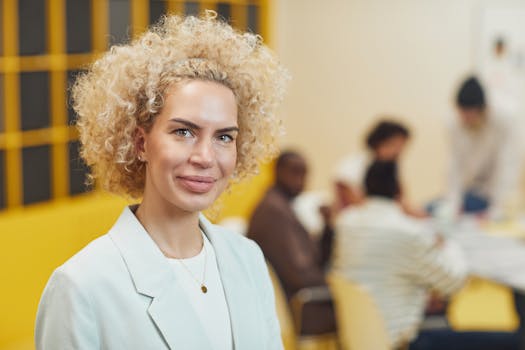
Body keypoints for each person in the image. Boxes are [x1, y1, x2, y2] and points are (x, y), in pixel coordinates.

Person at [35, 12, 288, 350]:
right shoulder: (82, 285)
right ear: (141, 143)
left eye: (224, 137)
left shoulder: (248, 258)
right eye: (183, 132)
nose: (205, 157)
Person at [331, 160, 520, 350]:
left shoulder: (346, 223)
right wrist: (448, 244)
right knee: (514, 341)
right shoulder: (407, 232)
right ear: (399, 189)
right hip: (402, 341)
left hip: (363, 336)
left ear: (364, 188)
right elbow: (453, 283)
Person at [247, 151, 337, 336]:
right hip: (299, 307)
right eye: (295, 172)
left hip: (297, 302)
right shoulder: (274, 211)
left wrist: (328, 227)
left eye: (304, 174)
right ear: (277, 171)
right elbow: (300, 274)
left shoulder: (281, 206)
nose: (300, 180)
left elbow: (314, 259)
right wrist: (334, 286)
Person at [446, 76, 523, 218]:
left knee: (487, 210)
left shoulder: (505, 117)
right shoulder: (453, 122)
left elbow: (508, 165)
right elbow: (454, 165)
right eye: (463, 115)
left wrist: (498, 207)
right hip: (472, 188)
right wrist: (453, 204)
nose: (465, 120)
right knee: (434, 207)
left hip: (492, 190)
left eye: (470, 116)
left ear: (483, 110)